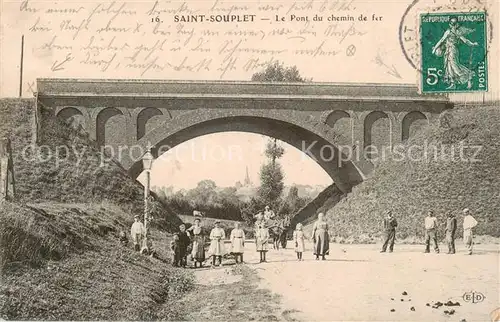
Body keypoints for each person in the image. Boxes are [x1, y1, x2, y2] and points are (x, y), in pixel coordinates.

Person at [431, 17, 479, 90]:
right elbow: (441, 40)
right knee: (448, 67)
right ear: (449, 24)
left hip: (453, 50)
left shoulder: (457, 32)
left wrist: (472, 44)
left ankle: (469, 77)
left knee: (455, 66)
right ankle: (453, 84)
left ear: (457, 24)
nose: (452, 25)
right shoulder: (448, 31)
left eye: (454, 23)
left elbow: (465, 40)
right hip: (447, 51)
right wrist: (435, 48)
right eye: (451, 23)